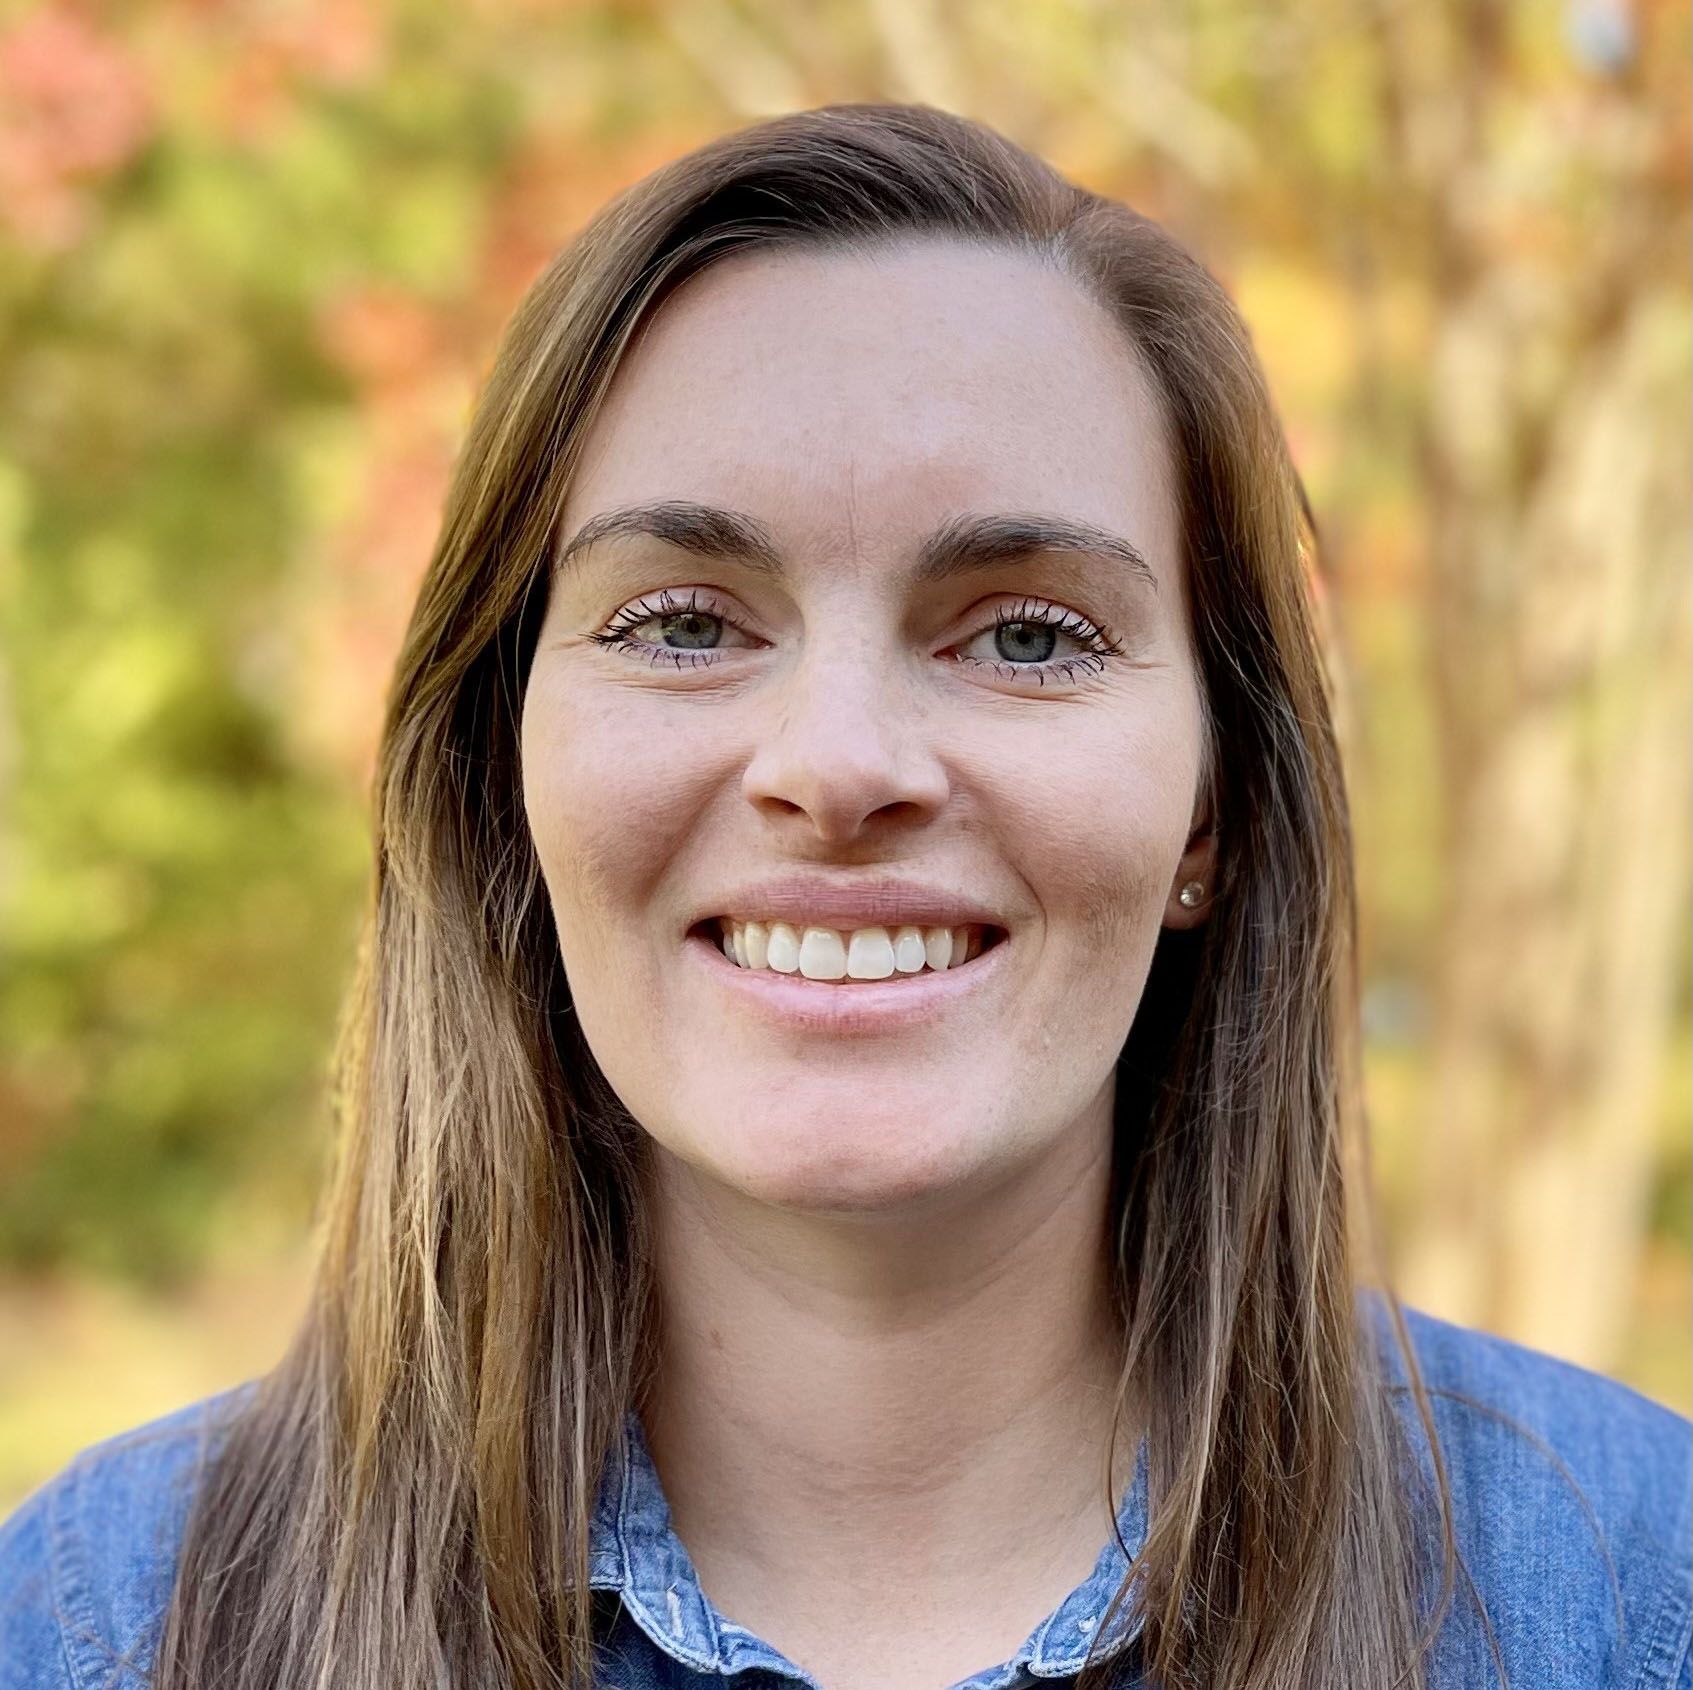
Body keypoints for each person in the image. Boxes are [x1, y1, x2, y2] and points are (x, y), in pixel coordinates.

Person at [1, 101, 1687, 1690]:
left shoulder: (1624, 1598)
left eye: (1028, 633)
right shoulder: (113, 1619)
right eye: (680, 621)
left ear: (1213, 803)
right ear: (505, 776)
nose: (839, 761)